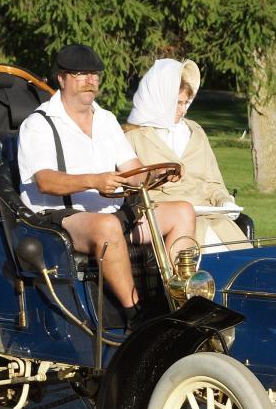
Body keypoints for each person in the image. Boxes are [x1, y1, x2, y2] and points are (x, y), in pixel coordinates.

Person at [17, 44, 195, 323]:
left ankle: (172, 298)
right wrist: (94, 181)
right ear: (61, 79)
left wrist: (158, 174)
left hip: (111, 213)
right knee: (107, 226)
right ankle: (134, 313)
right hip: (57, 220)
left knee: (182, 211)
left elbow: (132, 171)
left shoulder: (106, 119)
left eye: (94, 75)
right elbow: (45, 181)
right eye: (81, 74)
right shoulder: (38, 124)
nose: (90, 81)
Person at [125, 58, 250, 252]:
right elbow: (129, 188)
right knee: (210, 246)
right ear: (161, 98)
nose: (182, 110)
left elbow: (212, 183)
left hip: (210, 216)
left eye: (185, 103)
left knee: (245, 256)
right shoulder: (134, 138)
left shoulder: (196, 132)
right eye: (177, 103)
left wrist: (224, 201)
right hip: (166, 218)